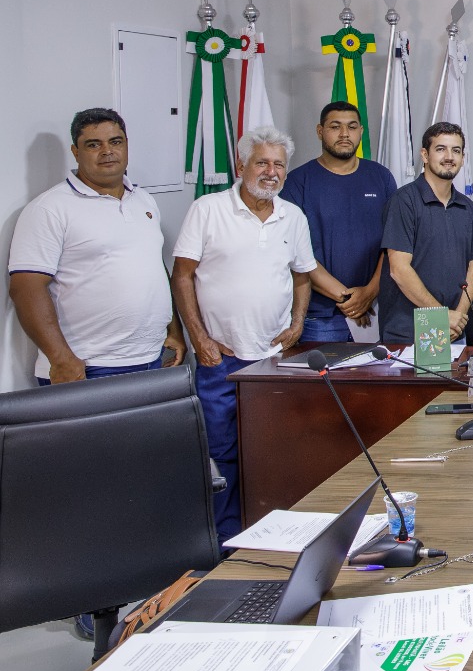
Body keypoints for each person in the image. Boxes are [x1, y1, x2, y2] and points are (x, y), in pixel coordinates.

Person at [172, 126, 323, 542]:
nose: (271, 172)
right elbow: (182, 276)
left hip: (273, 360)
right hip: (219, 359)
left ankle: (267, 536)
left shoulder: (292, 216)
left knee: (272, 451)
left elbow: (302, 276)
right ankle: (223, 544)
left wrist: (297, 324)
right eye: (262, 163)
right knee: (220, 454)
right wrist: (199, 339)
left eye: (279, 165)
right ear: (241, 165)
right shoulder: (207, 209)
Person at [10, 108, 185, 386]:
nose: (107, 151)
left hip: (151, 358)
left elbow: (154, 267)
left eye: (115, 142)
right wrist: (61, 359)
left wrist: (173, 329)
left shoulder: (143, 200)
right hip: (86, 367)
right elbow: (25, 289)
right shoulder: (49, 208)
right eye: (93, 145)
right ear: (75, 152)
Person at [280, 101, 397, 343]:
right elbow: (293, 251)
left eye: (352, 127)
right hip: (320, 318)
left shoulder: (381, 177)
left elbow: (394, 242)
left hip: (377, 310)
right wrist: (349, 300)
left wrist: (370, 292)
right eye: (335, 127)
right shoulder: (297, 182)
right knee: (322, 371)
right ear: (320, 131)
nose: (345, 134)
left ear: (360, 132)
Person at [378, 122, 473, 343]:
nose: (449, 157)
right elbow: (399, 270)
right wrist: (442, 316)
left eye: (456, 150)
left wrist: (458, 317)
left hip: (454, 332)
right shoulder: (403, 201)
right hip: (408, 333)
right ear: (425, 155)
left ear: (463, 158)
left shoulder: (468, 208)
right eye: (441, 149)